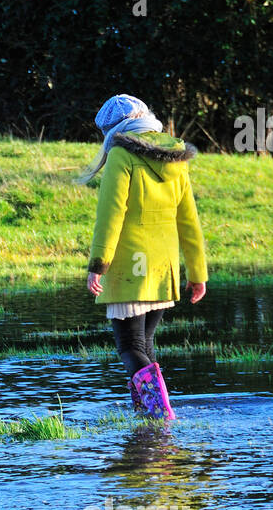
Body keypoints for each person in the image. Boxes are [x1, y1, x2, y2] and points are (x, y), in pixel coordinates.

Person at [78, 94, 207, 419]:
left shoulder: (121, 153)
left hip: (129, 268)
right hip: (162, 267)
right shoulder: (175, 155)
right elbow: (189, 219)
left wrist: (98, 265)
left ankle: (159, 414)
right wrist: (197, 273)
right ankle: (146, 418)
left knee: (130, 347)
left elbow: (111, 215)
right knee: (144, 345)